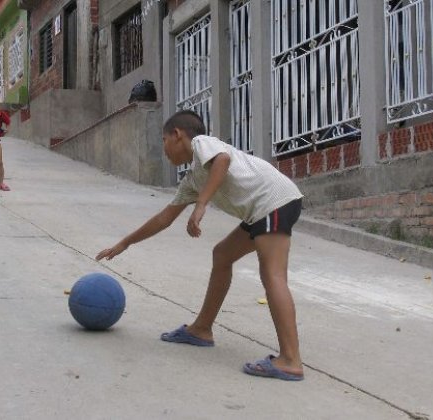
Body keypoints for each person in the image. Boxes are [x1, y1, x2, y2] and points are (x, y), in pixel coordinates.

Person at [96, 110, 305, 381]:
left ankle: (290, 360)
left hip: (275, 201)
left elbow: (223, 160)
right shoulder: (193, 178)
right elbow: (164, 218)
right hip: (262, 210)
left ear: (177, 135)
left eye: (163, 139)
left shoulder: (202, 144)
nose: (164, 148)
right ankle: (201, 329)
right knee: (222, 254)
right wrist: (125, 243)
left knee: (272, 275)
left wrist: (202, 204)